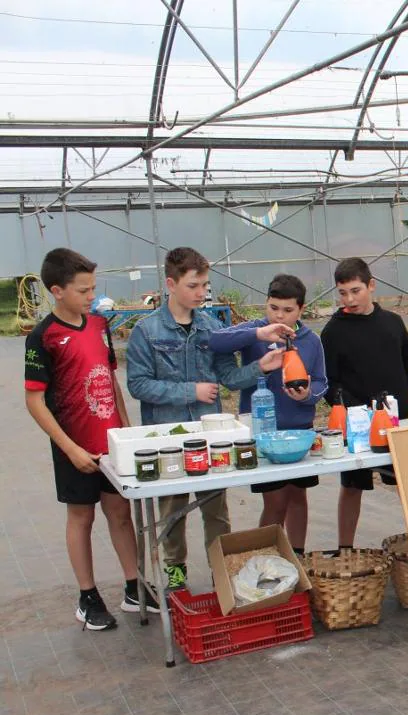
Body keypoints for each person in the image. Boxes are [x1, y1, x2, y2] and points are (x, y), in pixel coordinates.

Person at [127, 247, 281, 591]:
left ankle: (221, 571)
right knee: (172, 511)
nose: (201, 293)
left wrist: (260, 368)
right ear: (171, 283)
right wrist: (190, 392)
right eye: (193, 285)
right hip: (166, 438)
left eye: (205, 285)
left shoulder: (212, 328)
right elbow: (138, 384)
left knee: (216, 510)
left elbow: (228, 376)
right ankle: (176, 573)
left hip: (211, 435)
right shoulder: (146, 331)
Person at [24, 249, 147, 630]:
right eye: (83, 290)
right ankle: (87, 596)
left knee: (120, 514)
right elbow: (33, 400)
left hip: (111, 443)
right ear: (58, 291)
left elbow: (110, 379)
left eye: (93, 287)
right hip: (74, 446)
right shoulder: (42, 337)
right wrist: (71, 448)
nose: (91, 296)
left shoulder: (99, 325)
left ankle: (134, 587)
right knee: (81, 516)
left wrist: (125, 431)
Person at [208, 274, 327, 555]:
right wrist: (258, 334)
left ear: (301, 309)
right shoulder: (255, 333)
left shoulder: (312, 341)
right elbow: (216, 340)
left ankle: (298, 554)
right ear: (266, 304)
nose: (280, 316)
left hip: (299, 430)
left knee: (298, 497)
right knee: (274, 502)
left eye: (288, 310)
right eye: (274, 308)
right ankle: (267, 557)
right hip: (263, 434)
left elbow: (322, 381)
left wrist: (308, 393)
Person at [321, 257, 408, 549]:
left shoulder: (393, 322)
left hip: (398, 422)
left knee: (406, 484)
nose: (349, 299)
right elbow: (329, 383)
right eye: (342, 292)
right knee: (351, 487)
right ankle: (345, 549)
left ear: (371, 286)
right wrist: (353, 412)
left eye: (355, 290)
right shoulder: (333, 331)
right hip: (357, 428)